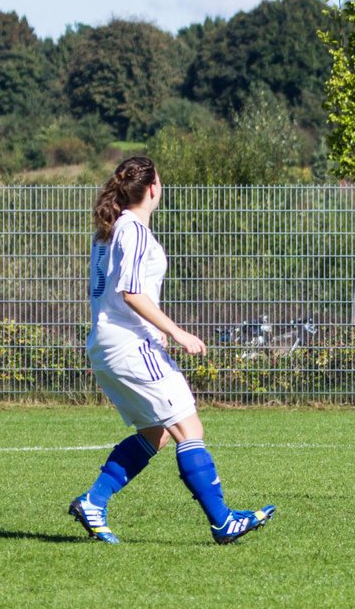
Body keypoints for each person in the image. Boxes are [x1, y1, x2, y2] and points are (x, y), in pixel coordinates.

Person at [68, 156, 276, 543]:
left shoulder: (111, 231)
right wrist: (176, 331)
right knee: (188, 427)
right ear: (153, 188)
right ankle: (223, 521)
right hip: (129, 344)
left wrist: (152, 329)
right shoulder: (133, 231)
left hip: (109, 343)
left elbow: (114, 293)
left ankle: (94, 501)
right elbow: (130, 292)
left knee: (157, 432)